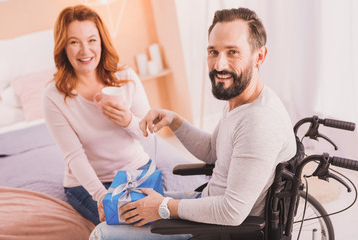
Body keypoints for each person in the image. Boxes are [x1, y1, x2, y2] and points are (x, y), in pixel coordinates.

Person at [89, 7, 297, 240]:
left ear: (259, 56)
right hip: (205, 206)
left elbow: (232, 212)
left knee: (101, 234)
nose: (219, 65)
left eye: (232, 52)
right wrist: (175, 121)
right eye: (213, 51)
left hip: (219, 229)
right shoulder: (240, 101)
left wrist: (164, 206)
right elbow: (212, 151)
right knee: (117, 210)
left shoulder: (259, 122)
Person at [42, 5, 153, 225]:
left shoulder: (126, 77)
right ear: (63, 46)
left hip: (137, 170)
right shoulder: (54, 96)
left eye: (92, 40)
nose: (85, 51)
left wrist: (128, 121)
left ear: (101, 41)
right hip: (90, 184)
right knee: (126, 227)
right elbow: (74, 156)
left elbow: (147, 133)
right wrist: (103, 197)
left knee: (160, 221)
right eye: (74, 42)